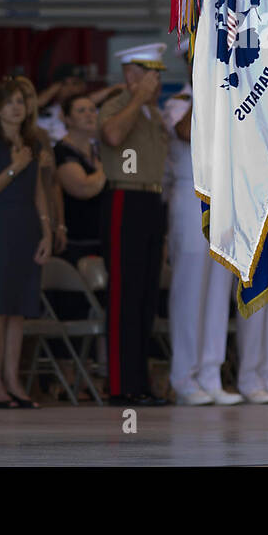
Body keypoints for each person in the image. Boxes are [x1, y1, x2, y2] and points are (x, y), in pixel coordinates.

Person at [97, 43, 170, 406]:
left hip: (151, 199)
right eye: (150, 75)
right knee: (124, 294)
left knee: (145, 297)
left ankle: (139, 382)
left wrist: (146, 103)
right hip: (125, 196)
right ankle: (119, 384)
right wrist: (135, 99)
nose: (156, 83)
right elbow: (111, 135)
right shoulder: (118, 105)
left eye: (158, 76)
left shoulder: (152, 113)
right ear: (131, 75)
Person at [0, 79, 52, 409]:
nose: (17, 107)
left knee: (19, 311)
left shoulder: (33, 143)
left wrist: (47, 231)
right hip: (0, 229)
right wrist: (14, 168)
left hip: (27, 228)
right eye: (9, 103)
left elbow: (38, 192)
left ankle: (14, 380)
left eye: (20, 101)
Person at [163, 74, 241, 406]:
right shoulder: (178, 102)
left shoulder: (230, 94)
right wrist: (204, 86)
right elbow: (184, 132)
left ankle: (210, 374)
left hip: (224, 196)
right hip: (190, 194)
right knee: (190, 289)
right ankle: (183, 376)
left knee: (217, 293)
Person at [54, 93, 107, 265]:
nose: (89, 114)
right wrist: (109, 167)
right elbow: (83, 189)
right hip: (75, 239)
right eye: (81, 110)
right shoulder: (62, 151)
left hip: (100, 237)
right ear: (68, 119)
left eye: (92, 110)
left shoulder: (98, 151)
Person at [15, 76, 66, 255]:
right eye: (19, 97)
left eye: (29, 97)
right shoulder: (3, 137)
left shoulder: (41, 135)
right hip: (17, 218)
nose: (24, 103)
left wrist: (60, 224)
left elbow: (54, 182)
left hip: (45, 218)